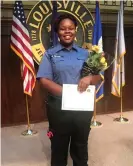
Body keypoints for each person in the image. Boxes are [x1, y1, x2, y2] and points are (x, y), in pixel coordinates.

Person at [37, 14, 101, 166]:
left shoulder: (86, 54)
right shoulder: (50, 54)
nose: (67, 31)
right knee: (59, 147)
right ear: (57, 32)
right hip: (58, 108)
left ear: (76, 30)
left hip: (82, 108)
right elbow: (44, 80)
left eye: (71, 28)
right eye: (63, 29)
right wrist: (68, 94)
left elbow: (98, 76)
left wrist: (89, 79)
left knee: (80, 145)